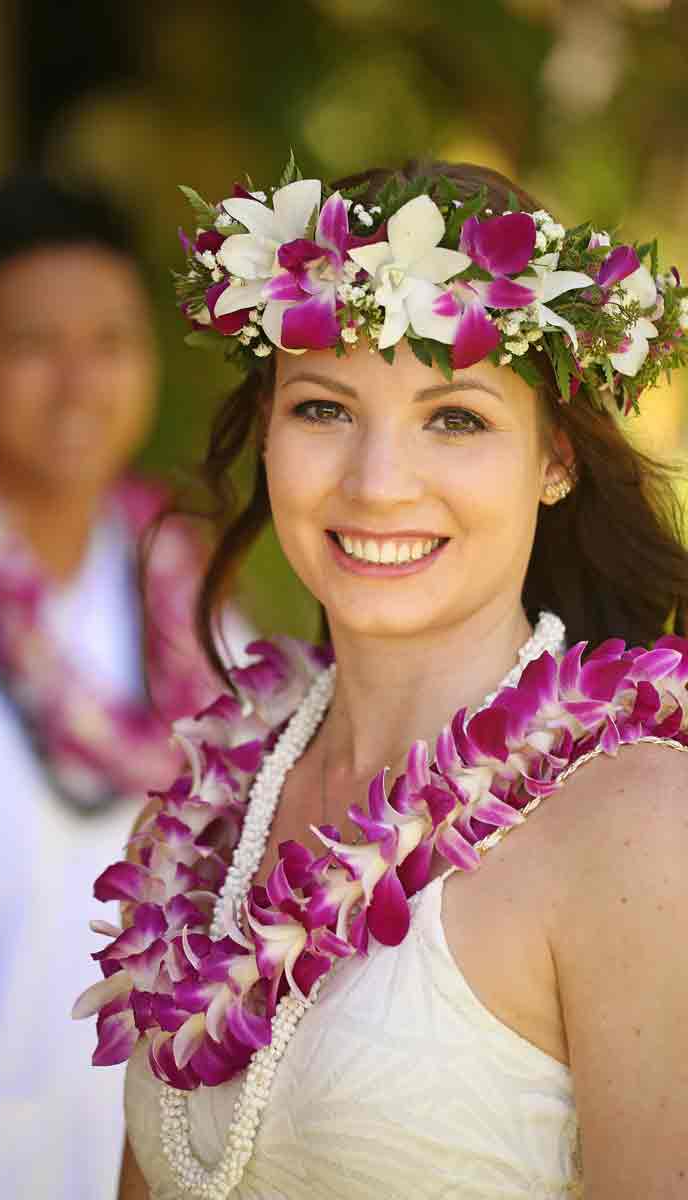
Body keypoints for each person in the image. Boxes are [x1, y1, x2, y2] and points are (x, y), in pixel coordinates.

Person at [76, 158, 688, 1199]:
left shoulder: (636, 828)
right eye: (322, 410)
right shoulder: (199, 816)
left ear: (553, 460)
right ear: (266, 427)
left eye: (454, 418)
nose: (375, 484)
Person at [0, 175, 243, 1200]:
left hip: (156, 1164)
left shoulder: (199, 606)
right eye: (36, 345)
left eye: (112, 342)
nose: (81, 381)